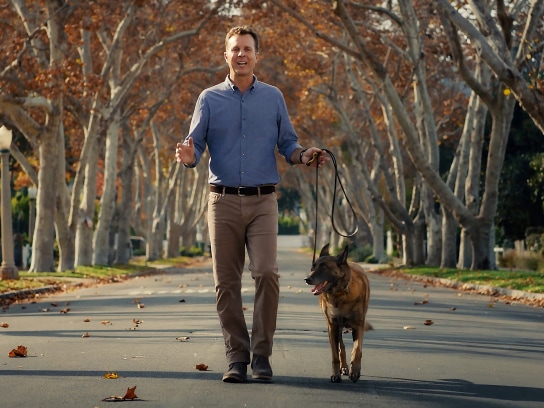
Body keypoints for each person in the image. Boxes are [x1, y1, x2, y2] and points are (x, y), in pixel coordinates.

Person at [175, 25, 327, 383]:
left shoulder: (273, 97)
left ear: (257, 55)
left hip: (263, 201)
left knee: (267, 274)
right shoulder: (208, 98)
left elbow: (288, 144)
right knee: (226, 283)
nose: (241, 54)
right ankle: (236, 357)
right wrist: (186, 154)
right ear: (225, 55)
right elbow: (194, 146)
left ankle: (261, 356)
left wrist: (304, 155)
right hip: (222, 201)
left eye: (247, 48)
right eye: (235, 49)